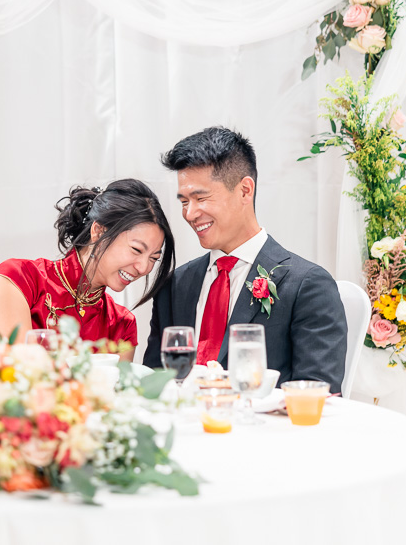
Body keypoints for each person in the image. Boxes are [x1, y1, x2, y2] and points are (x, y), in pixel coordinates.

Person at [142, 127, 347, 392]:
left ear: (245, 190)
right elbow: (152, 383)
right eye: (184, 201)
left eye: (201, 198)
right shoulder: (175, 285)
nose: (190, 213)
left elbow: (320, 397)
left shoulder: (307, 286)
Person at [0, 179, 175, 361]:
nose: (143, 268)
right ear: (98, 231)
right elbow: (21, 377)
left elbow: (117, 398)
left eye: (153, 258)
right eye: (136, 250)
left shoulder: (122, 324)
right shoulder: (18, 279)